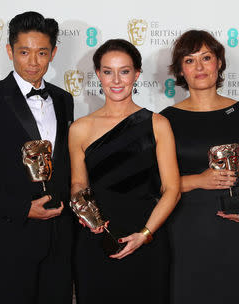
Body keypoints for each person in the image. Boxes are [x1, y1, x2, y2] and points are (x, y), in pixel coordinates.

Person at [0, 11, 73, 304]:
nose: (33, 61)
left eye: (42, 52)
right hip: (13, 237)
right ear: (9, 51)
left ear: (53, 53)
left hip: (60, 240)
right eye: (24, 52)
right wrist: (22, 208)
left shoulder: (63, 99)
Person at [161, 30, 239, 304]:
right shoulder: (165, 120)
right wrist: (197, 180)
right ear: (180, 69)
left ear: (219, 63)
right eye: (189, 60)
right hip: (184, 230)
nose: (199, 67)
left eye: (206, 57)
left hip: (237, 230)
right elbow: (153, 181)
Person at [69, 39, 180, 304]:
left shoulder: (158, 124)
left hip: (148, 238)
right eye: (108, 71)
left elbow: (172, 189)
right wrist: (85, 214)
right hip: (97, 240)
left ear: (137, 73)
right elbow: (77, 183)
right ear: (98, 75)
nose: (116, 80)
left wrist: (145, 234)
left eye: (125, 71)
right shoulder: (80, 128)